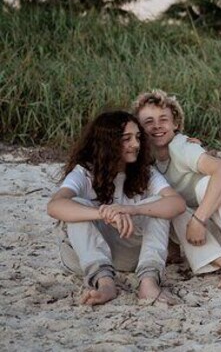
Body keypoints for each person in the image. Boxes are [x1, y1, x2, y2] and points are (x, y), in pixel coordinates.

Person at [47, 110, 186, 306]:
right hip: (83, 256)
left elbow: (177, 203)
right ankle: (104, 283)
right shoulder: (85, 172)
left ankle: (148, 282)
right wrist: (104, 213)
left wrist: (131, 210)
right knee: (77, 207)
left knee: (156, 206)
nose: (136, 144)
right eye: (126, 139)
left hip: (130, 256)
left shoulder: (145, 172)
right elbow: (55, 205)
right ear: (108, 142)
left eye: (137, 137)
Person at [132, 89, 221, 288]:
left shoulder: (181, 146)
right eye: (149, 121)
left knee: (205, 184)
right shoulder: (144, 162)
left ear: (175, 124)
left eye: (164, 119)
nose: (157, 126)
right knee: (169, 204)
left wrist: (198, 220)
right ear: (139, 129)